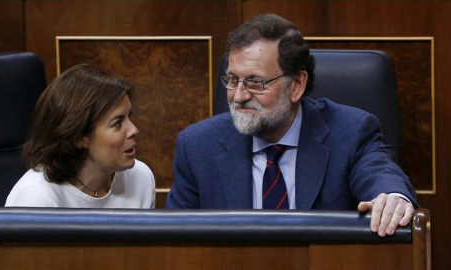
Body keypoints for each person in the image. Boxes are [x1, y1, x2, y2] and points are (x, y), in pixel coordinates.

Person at [166, 14, 418, 237]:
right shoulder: (197, 146)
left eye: (255, 82)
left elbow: (379, 175)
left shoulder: (351, 132)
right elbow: (173, 243)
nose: (238, 96)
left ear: (296, 85)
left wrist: (393, 198)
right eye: (232, 80)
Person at [6, 63, 155, 208]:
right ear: (79, 138)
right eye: (117, 123)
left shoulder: (141, 178)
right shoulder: (35, 197)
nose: (134, 130)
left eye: (130, 116)